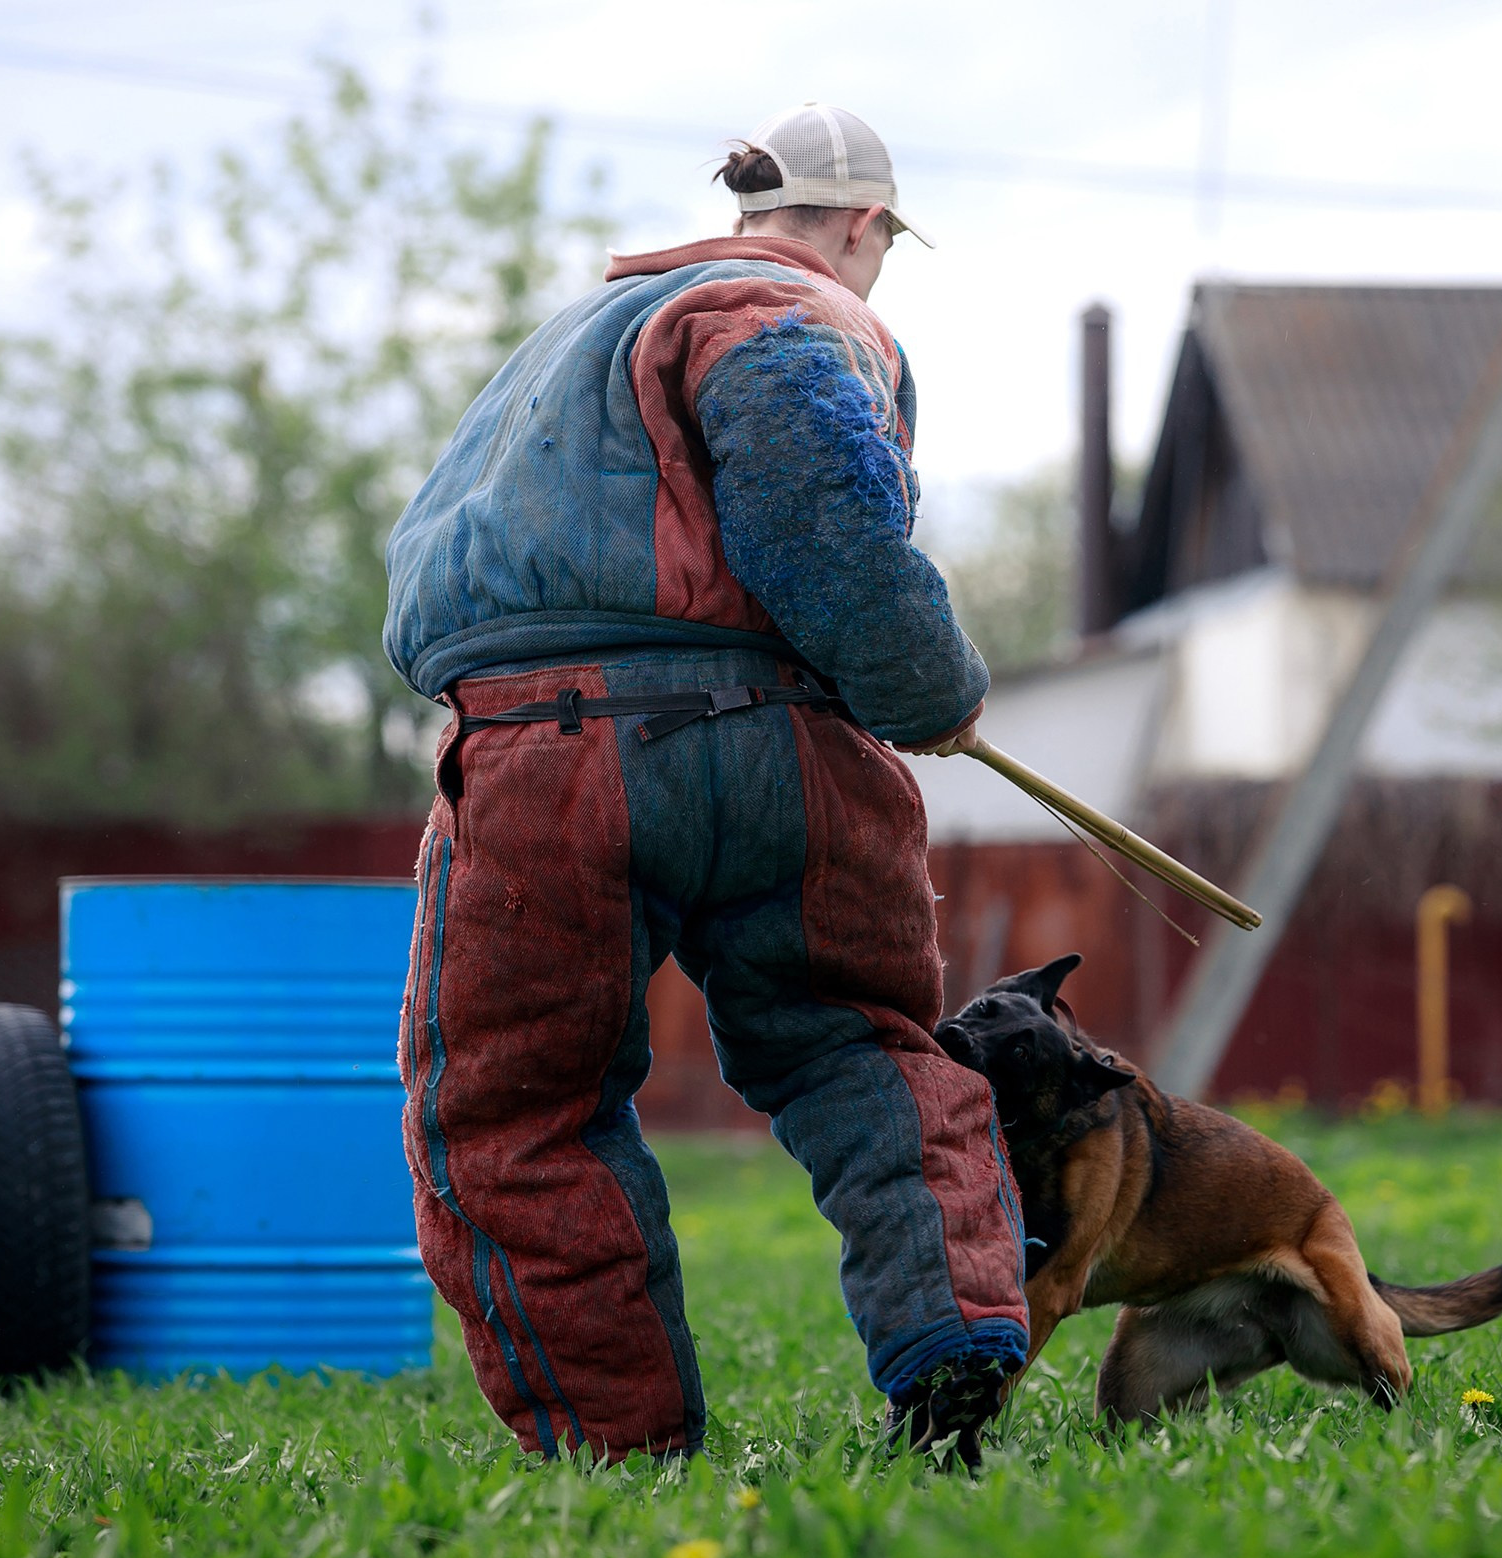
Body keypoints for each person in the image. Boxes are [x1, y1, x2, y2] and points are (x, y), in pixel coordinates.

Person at [384, 102, 1026, 1466]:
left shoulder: (568, 343)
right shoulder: (791, 311)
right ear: (862, 228)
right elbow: (819, 509)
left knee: (513, 1107)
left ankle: (621, 1453)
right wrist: (930, 689)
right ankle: (953, 1341)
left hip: (538, 750)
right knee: (863, 1043)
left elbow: (425, 573)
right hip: (790, 742)